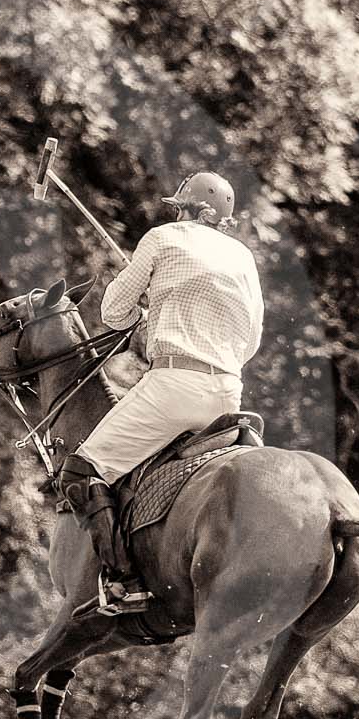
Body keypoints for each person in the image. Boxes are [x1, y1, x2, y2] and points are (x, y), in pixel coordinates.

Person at [60, 171, 263, 614]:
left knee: (81, 471)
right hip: (230, 395)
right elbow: (251, 342)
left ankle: (122, 581)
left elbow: (113, 314)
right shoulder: (244, 256)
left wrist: (147, 307)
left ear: (192, 211)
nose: (177, 215)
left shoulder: (162, 238)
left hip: (174, 386)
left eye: (181, 208)